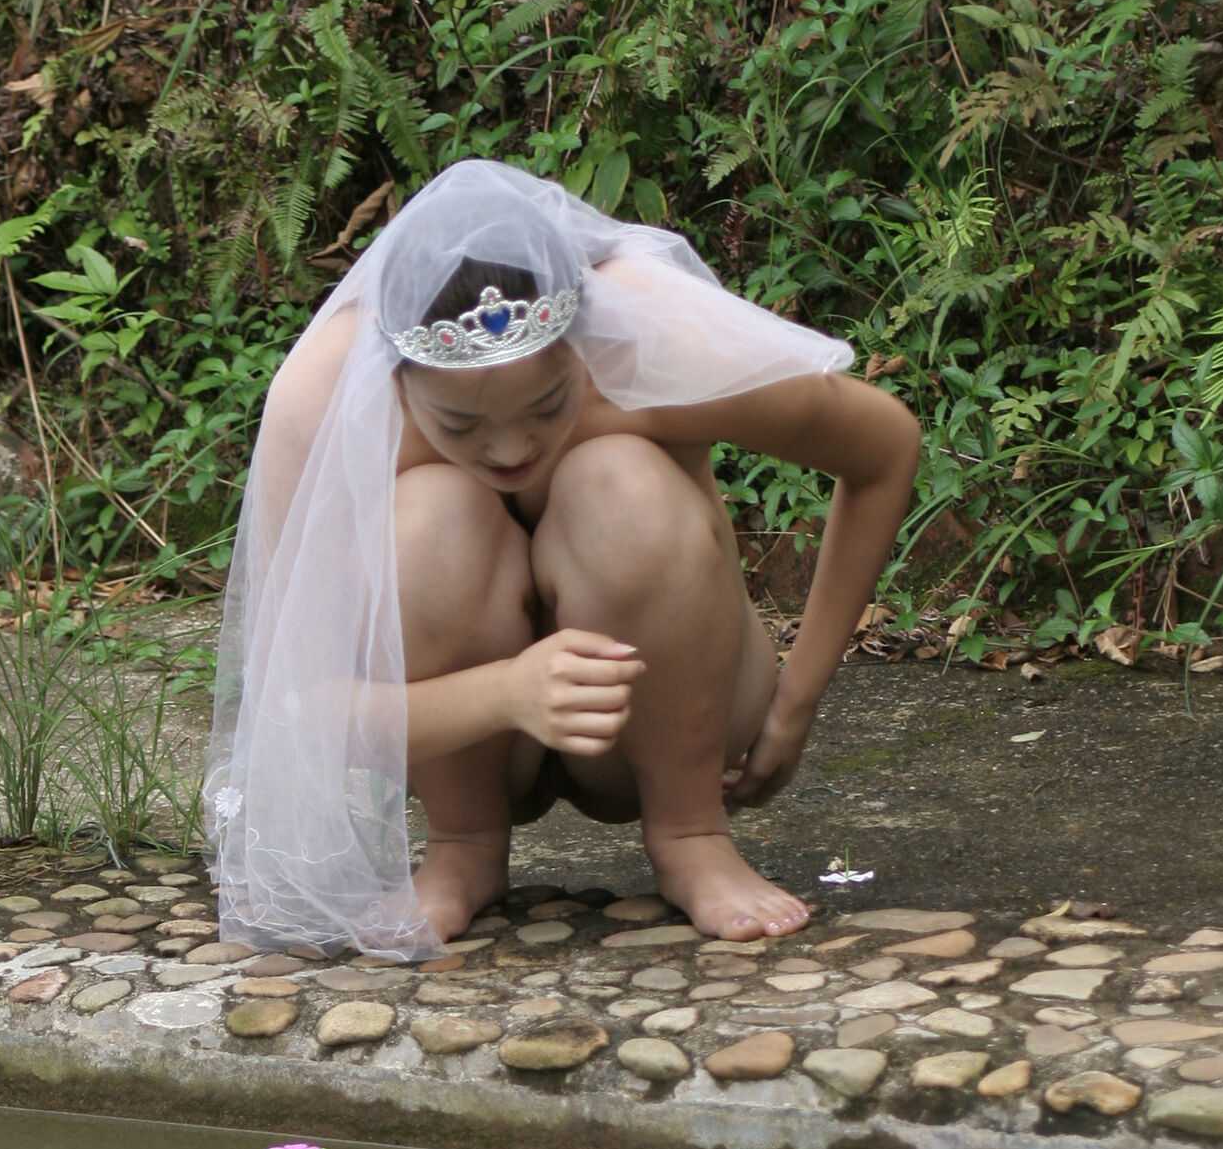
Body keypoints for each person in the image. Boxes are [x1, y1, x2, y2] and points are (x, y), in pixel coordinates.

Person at [207, 160, 919, 957]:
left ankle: (691, 830)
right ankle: (464, 843)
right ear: (397, 379)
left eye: (547, 405)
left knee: (617, 480)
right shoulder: (326, 399)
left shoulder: (653, 339)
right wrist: (505, 692)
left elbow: (885, 446)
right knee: (430, 515)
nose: (511, 448)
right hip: (469, 735)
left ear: (585, 343)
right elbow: (295, 708)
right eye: (461, 424)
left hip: (667, 702)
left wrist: (797, 702)